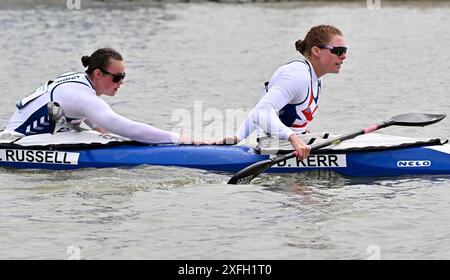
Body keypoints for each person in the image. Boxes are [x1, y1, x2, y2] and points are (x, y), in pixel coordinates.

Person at [3, 48, 201, 144]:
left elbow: (97, 124)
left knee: (101, 136)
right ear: (98, 74)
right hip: (18, 143)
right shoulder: (80, 94)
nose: (121, 83)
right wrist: (185, 140)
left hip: (32, 138)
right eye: (117, 77)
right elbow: (127, 127)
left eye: (123, 77)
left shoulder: (80, 83)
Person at [220, 24, 347, 159]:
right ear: (316, 51)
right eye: (338, 50)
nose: (343, 56)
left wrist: (237, 137)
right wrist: (293, 138)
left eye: (345, 50)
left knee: (346, 140)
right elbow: (262, 111)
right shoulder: (297, 74)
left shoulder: (316, 78)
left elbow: (261, 107)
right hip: (275, 149)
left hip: (291, 145)